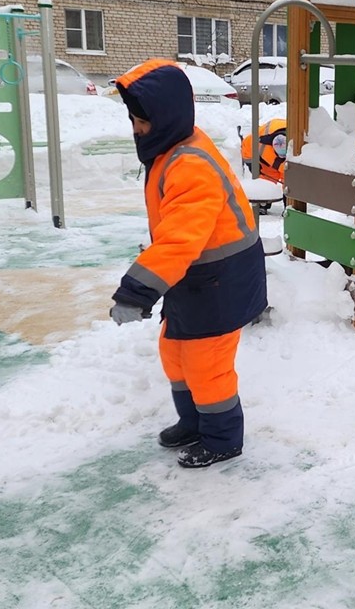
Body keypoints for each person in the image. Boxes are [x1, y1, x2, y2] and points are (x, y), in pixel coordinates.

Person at [110, 58, 267, 468]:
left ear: (165, 118)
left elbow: (180, 239)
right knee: (174, 350)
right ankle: (194, 421)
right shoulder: (170, 150)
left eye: (142, 122)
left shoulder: (190, 165)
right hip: (194, 277)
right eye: (133, 120)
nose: (136, 129)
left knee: (206, 364)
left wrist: (137, 291)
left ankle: (222, 438)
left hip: (221, 280)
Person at [241, 117, 288, 186]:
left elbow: (289, 176)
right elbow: (246, 146)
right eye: (281, 155)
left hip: (286, 167)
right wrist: (251, 163)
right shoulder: (258, 142)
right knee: (267, 184)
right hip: (266, 164)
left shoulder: (299, 144)